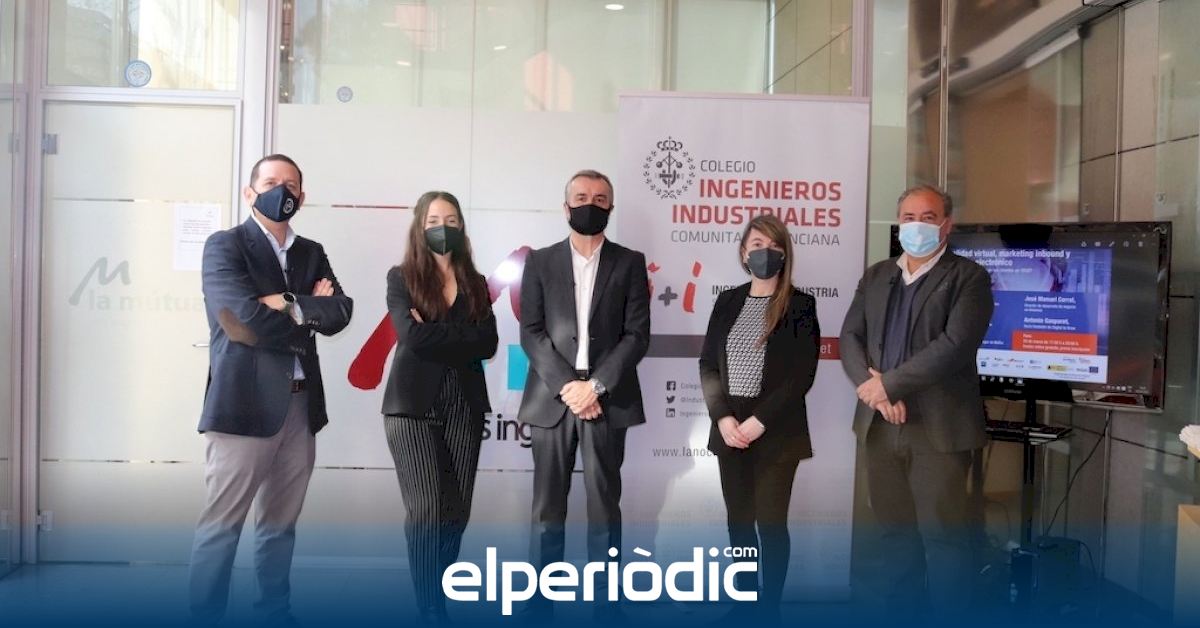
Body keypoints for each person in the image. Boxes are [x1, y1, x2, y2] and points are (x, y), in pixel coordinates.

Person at [190, 154, 353, 625]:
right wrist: (306, 310)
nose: (282, 191)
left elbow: (340, 312)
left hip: (300, 408)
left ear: (302, 196)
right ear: (250, 192)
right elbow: (240, 322)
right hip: (242, 406)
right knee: (222, 527)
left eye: (291, 185)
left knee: (280, 526)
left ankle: (274, 614)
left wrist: (282, 302)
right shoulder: (225, 246)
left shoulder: (311, 252)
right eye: (270, 183)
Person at [838, 184, 993, 618]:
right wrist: (874, 391)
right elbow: (850, 337)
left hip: (938, 429)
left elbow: (955, 345)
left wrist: (889, 386)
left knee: (944, 539)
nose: (917, 226)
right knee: (895, 534)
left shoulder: (969, 278)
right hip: (879, 427)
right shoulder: (876, 275)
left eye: (928, 217)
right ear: (898, 223)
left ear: (947, 225)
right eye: (908, 218)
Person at [517, 169, 651, 620]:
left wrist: (594, 386)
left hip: (606, 399)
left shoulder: (630, 262)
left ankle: (606, 607)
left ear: (611, 207)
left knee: (604, 509)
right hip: (553, 399)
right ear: (565, 207)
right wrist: (568, 387)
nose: (589, 204)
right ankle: (539, 605)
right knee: (546, 510)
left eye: (599, 198)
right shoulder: (540, 262)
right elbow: (531, 333)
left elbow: (637, 335)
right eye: (580, 197)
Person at [380, 191, 498, 624]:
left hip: (465, 405)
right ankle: (431, 609)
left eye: (450, 220)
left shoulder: (476, 282)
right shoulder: (402, 278)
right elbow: (411, 338)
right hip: (411, 406)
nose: (442, 227)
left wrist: (434, 332)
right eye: (433, 220)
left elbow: (488, 342)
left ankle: (437, 594)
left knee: (456, 511)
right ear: (419, 226)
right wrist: (459, 336)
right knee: (427, 509)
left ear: (461, 226)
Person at [698, 214, 820, 620]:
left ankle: (769, 611)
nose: (764, 253)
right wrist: (723, 418)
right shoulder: (727, 301)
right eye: (756, 245)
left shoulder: (801, 305)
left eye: (772, 246)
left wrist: (760, 421)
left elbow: (802, 374)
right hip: (730, 430)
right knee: (739, 523)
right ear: (742, 253)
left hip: (777, 431)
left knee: (770, 525)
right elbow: (708, 365)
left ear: (785, 253)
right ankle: (745, 603)